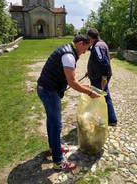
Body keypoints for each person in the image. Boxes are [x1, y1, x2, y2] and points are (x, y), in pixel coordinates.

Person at [37, 34, 99, 172]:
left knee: (51, 121)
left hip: (46, 89)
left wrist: (85, 87)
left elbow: (71, 79)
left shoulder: (68, 51)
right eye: (86, 48)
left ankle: (54, 148)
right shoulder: (69, 56)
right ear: (80, 44)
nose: (84, 52)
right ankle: (58, 162)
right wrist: (88, 92)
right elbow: (72, 82)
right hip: (48, 91)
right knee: (56, 124)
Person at [87, 28, 117, 126]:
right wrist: (90, 71)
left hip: (99, 77)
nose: (88, 41)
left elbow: (103, 62)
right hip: (99, 75)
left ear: (91, 37)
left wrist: (104, 77)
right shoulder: (101, 43)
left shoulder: (97, 46)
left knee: (101, 97)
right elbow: (99, 61)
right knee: (104, 96)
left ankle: (109, 119)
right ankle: (110, 119)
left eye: (88, 38)